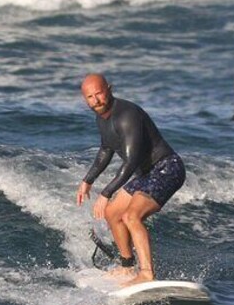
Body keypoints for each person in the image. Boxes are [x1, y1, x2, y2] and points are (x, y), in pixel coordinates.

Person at [76, 74, 186, 287]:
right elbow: (106, 149)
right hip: (145, 174)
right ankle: (128, 266)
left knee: (131, 216)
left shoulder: (127, 115)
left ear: (109, 89)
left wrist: (106, 193)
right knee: (112, 213)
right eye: (90, 97)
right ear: (85, 100)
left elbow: (132, 159)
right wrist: (87, 180)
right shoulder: (102, 117)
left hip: (167, 168)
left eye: (99, 93)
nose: (96, 100)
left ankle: (146, 273)